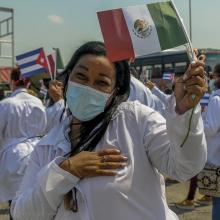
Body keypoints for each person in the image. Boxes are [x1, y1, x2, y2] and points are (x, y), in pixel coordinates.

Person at [11, 41, 207, 220]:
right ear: (67, 77)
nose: (88, 87)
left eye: (101, 82)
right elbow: (22, 215)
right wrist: (66, 171)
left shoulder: (136, 120)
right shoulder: (47, 146)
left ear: (114, 91)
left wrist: (184, 113)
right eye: (81, 76)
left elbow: (184, 167)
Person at [0, 68, 47, 209]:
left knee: (14, 202)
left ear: (12, 82)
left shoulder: (6, 104)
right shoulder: (38, 103)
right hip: (36, 154)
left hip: (12, 155)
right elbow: (44, 129)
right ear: (27, 84)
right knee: (30, 201)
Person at [202, 63, 220, 220]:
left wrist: (200, 117)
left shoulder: (216, 99)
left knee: (218, 202)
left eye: (213, 75)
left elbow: (210, 129)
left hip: (217, 163)